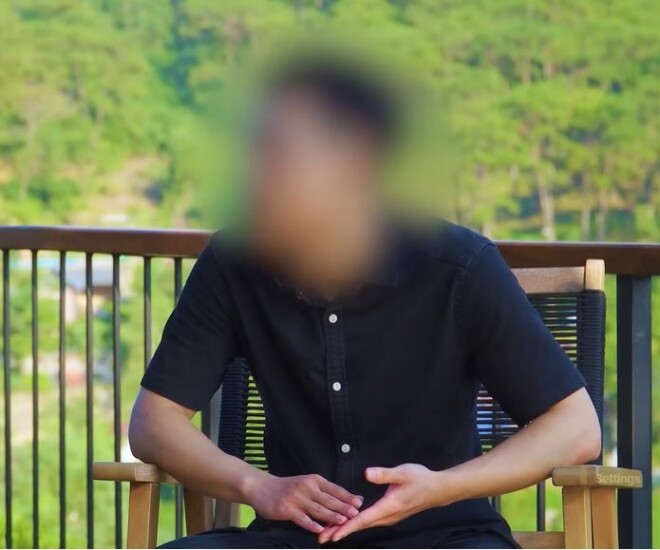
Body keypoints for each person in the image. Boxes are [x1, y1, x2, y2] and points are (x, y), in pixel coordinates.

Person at [129, 59, 601, 549]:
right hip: (297, 538)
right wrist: (259, 486)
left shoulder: (458, 267)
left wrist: (441, 487)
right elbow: (153, 422)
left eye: (283, 160)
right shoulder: (235, 263)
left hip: (443, 536)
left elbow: (576, 427)